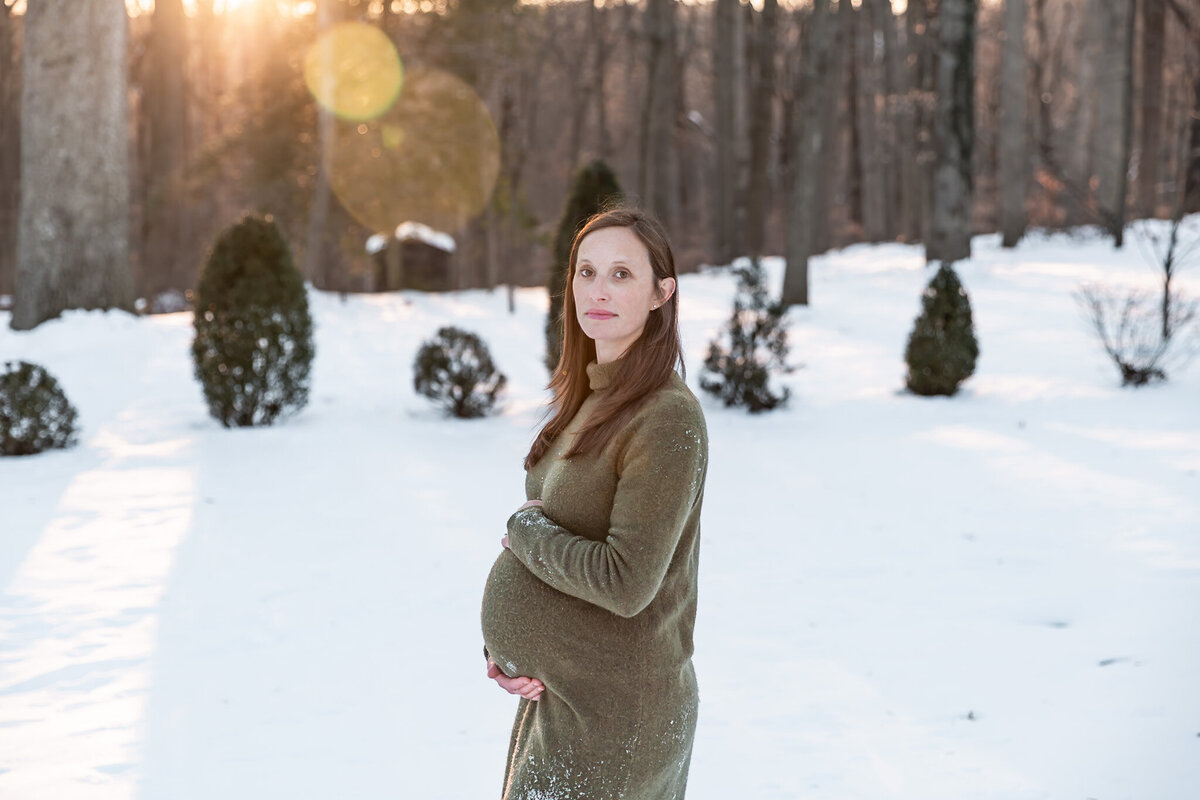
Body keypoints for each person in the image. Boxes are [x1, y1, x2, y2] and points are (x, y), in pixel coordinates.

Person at [480, 207, 710, 800]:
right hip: (564, 700)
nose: (597, 290)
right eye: (586, 271)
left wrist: (523, 532)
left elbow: (626, 582)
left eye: (621, 274)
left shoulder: (666, 418)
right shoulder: (591, 396)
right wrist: (507, 649)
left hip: (619, 718)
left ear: (663, 293)